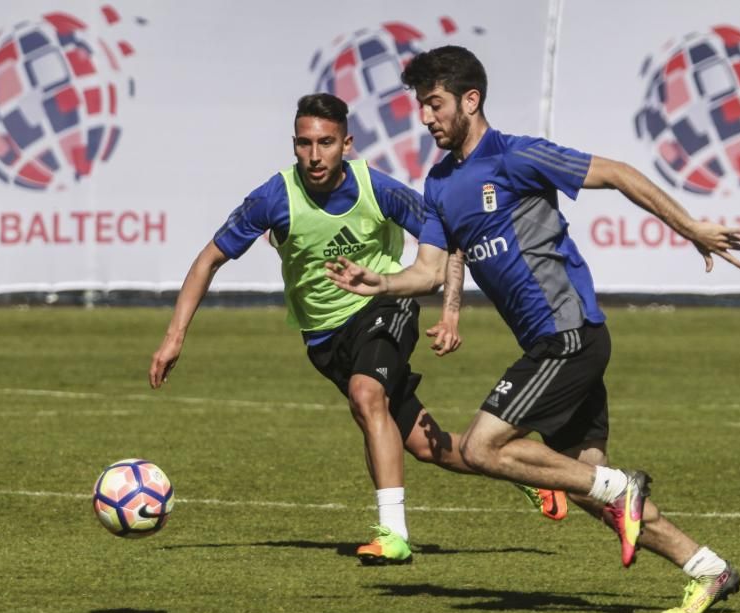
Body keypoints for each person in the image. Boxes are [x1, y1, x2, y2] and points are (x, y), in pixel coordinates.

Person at [326, 46, 740, 613]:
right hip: (551, 345)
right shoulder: (440, 183)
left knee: (482, 447)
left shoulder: (515, 155)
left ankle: (622, 487)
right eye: (420, 107)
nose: (425, 118)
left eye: (434, 104)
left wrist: (689, 226)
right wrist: (378, 282)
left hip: (569, 336)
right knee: (590, 487)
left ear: (470, 100)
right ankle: (708, 567)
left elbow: (619, 173)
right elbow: (428, 269)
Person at [149, 92, 565, 567]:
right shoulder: (274, 196)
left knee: (368, 395)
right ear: (294, 145)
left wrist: (450, 311)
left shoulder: (377, 189)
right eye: (304, 143)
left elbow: (449, 236)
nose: (314, 155)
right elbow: (210, 259)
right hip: (324, 341)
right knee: (428, 447)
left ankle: (393, 535)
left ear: (346, 143)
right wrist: (174, 336)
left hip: (384, 306)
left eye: (325, 143)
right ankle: (523, 468)